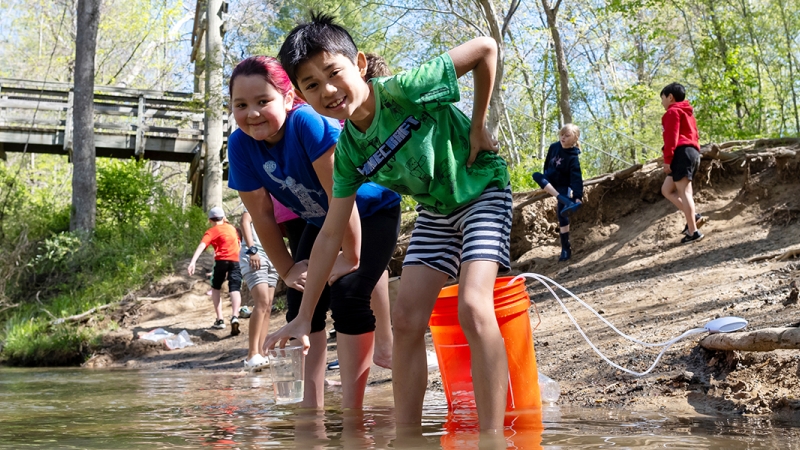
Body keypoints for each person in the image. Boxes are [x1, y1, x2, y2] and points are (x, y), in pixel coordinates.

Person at [274, 13, 511, 432]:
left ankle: (492, 439)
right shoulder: (348, 151)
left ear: (359, 64)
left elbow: (485, 48)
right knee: (404, 320)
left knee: (473, 305)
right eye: (311, 84)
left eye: (334, 73)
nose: (328, 90)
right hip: (436, 213)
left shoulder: (404, 91)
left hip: (482, 191)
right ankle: (407, 438)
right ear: (300, 94)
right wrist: (303, 314)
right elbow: (331, 232)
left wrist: (478, 125)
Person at [226, 55, 401, 410]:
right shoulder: (240, 145)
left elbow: (344, 193)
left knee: (349, 293)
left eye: (263, 101)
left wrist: (349, 257)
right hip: (320, 220)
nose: (252, 113)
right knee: (299, 298)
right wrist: (288, 269)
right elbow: (260, 215)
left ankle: (353, 413)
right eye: (241, 105)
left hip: (370, 210)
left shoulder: (307, 122)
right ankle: (311, 410)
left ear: (288, 99)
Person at [659, 82, 705, 243]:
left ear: (670, 97)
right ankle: (694, 216)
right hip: (693, 152)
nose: (662, 102)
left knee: (684, 192)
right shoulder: (688, 112)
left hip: (681, 153)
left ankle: (693, 232)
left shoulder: (672, 112)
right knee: (667, 189)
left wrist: (667, 160)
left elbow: (671, 137)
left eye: (663, 98)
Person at [531, 124, 584, 261]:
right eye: (562, 135)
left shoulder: (573, 158)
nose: (563, 138)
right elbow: (547, 164)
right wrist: (546, 180)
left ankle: (566, 247)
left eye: (567, 136)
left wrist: (577, 197)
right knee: (537, 175)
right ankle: (563, 199)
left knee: (562, 213)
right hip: (550, 181)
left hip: (563, 184)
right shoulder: (554, 147)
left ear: (575, 138)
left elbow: (576, 178)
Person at [187, 206, 243, 335]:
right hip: (236, 261)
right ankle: (235, 316)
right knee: (234, 288)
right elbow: (239, 245)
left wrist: (193, 262)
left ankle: (220, 319)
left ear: (210, 220)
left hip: (221, 261)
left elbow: (202, 245)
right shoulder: (233, 229)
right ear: (224, 218)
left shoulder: (212, 231)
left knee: (215, 288)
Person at [240, 206, 279, 370]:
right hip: (255, 253)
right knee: (261, 301)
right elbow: (245, 221)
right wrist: (252, 250)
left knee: (268, 305)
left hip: (273, 253)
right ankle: (251, 355)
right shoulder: (257, 193)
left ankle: (262, 353)